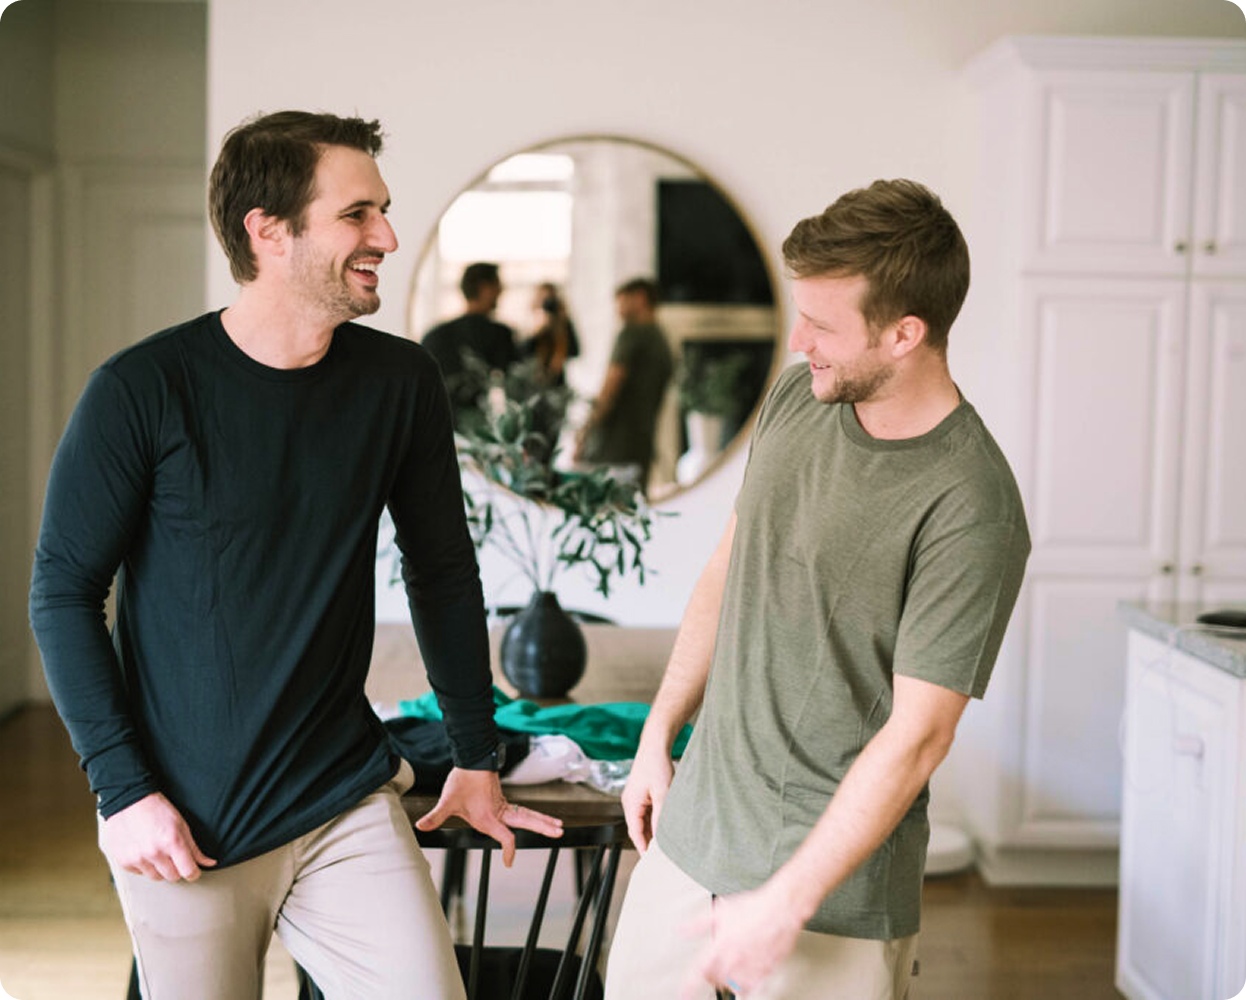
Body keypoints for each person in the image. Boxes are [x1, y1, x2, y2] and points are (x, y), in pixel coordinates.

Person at [28, 110, 561, 1000]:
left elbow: (441, 569)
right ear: (267, 231)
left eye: (382, 211)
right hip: (185, 820)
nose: (386, 235)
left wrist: (477, 754)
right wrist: (122, 793)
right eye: (357, 215)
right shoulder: (142, 389)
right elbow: (65, 592)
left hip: (341, 799)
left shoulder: (400, 383)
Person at [605, 179, 1031, 1000]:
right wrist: (659, 732)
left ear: (905, 333)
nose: (799, 340)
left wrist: (784, 902)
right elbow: (730, 568)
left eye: (825, 325)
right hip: (693, 839)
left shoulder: (971, 505)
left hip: (829, 897)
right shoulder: (801, 397)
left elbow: (918, 737)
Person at [574, 277, 674, 488]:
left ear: (640, 299)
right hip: (642, 442)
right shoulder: (661, 339)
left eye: (621, 300)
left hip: (614, 444)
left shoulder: (631, 335)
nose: (617, 308)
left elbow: (611, 386)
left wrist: (586, 430)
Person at [422, 261, 520, 427]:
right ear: (485, 288)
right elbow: (513, 388)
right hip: (484, 428)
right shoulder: (500, 334)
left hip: (438, 425)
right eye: (498, 285)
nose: (502, 291)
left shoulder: (434, 335)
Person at [521, 281, 580, 387]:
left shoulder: (564, 323)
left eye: (551, 301)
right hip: (532, 381)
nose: (548, 306)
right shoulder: (530, 322)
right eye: (544, 301)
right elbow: (523, 353)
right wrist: (538, 330)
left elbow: (575, 351)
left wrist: (561, 326)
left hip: (556, 382)